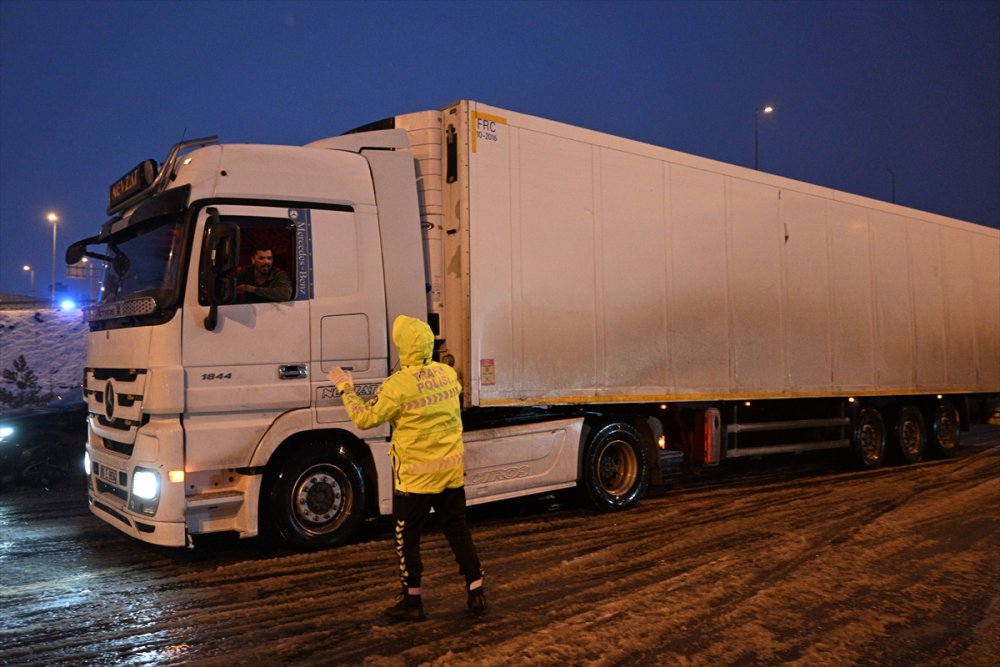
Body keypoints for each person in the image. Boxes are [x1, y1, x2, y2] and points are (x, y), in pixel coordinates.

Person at [327, 315, 486, 621]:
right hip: (450, 473)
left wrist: (346, 388)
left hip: (414, 479)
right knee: (458, 531)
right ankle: (476, 590)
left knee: (406, 538)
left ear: (402, 347)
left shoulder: (397, 386)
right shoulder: (447, 374)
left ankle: (412, 601)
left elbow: (364, 418)